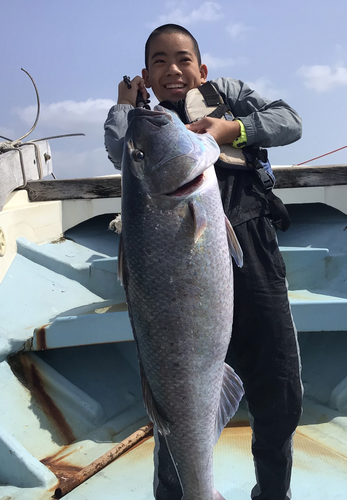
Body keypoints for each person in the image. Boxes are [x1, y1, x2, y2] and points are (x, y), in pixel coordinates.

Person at [104, 24, 303, 500]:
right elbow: (118, 149)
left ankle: (274, 492)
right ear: (146, 76)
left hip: (250, 248)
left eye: (183, 59)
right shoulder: (141, 124)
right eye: (158, 62)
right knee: (176, 393)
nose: (172, 70)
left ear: (202, 68)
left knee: (278, 387)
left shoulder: (229, 95)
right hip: (175, 263)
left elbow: (290, 121)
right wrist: (123, 107)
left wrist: (232, 128)